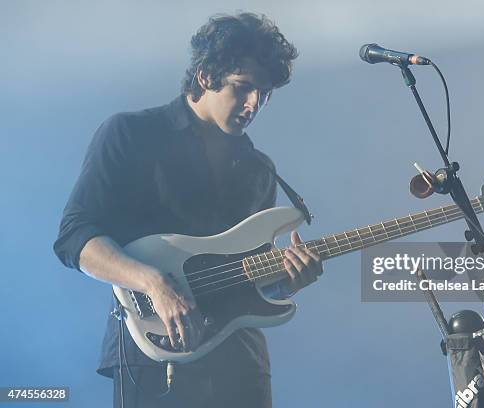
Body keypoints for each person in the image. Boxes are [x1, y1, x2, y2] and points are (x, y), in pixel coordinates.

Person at [53, 12, 323, 408]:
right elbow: (74, 237)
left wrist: (287, 281)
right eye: (243, 87)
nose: (254, 104)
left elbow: (250, 278)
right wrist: (153, 283)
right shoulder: (131, 134)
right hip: (155, 356)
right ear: (205, 77)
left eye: (264, 94)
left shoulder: (259, 168)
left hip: (240, 363)